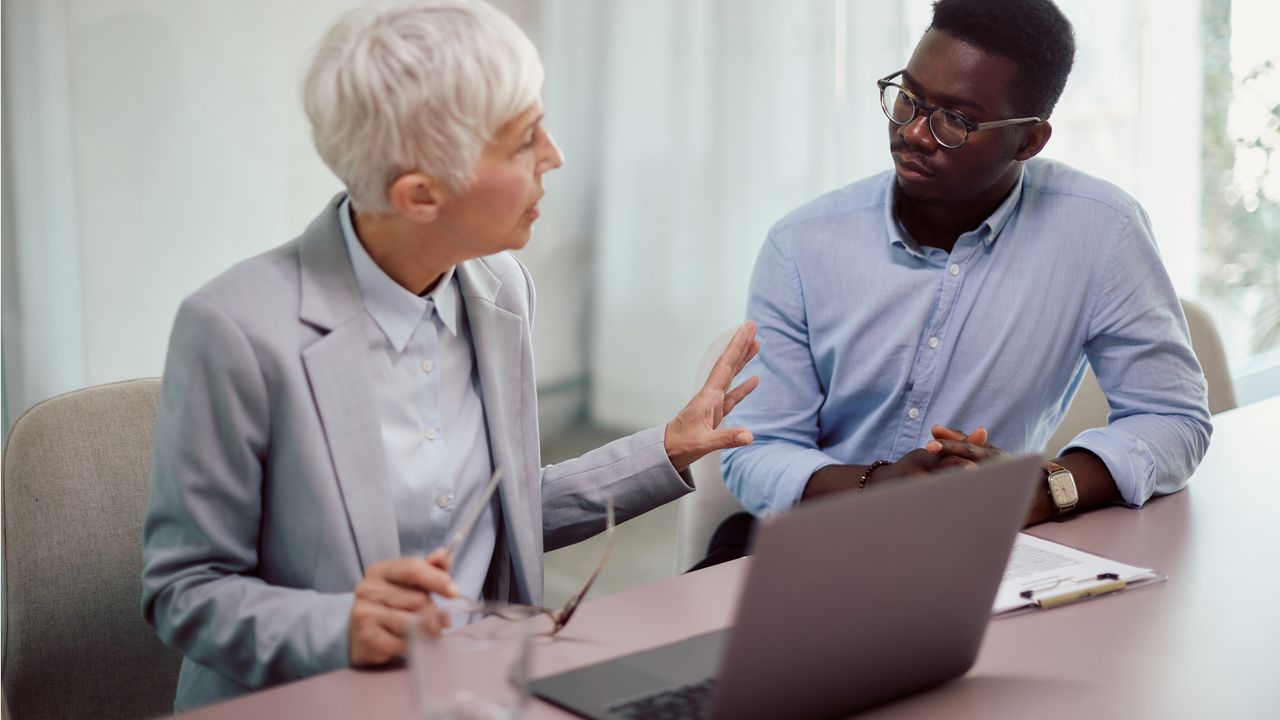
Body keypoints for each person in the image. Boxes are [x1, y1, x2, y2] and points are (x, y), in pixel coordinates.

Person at [140, 0, 759, 711]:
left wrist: (668, 450)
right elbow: (182, 590)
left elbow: (507, 511)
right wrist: (337, 627)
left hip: (483, 689)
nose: (554, 156)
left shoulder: (499, 287)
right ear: (420, 194)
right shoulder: (236, 330)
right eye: (524, 141)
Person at [706, 0, 1211, 567]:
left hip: (981, 548)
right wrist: (876, 486)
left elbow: (1172, 418)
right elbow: (755, 451)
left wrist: (1044, 489)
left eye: (957, 119)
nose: (915, 132)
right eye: (909, 98)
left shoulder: (1100, 230)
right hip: (812, 540)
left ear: (1029, 141)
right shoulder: (802, 244)